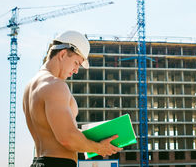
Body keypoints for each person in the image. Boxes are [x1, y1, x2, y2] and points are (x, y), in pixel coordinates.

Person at [23, 30, 122, 167]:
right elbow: (66, 138)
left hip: (39, 161)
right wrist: (99, 148)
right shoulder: (56, 85)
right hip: (58, 163)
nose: (76, 70)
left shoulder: (30, 86)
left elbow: (57, 130)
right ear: (63, 54)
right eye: (76, 63)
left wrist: (98, 138)